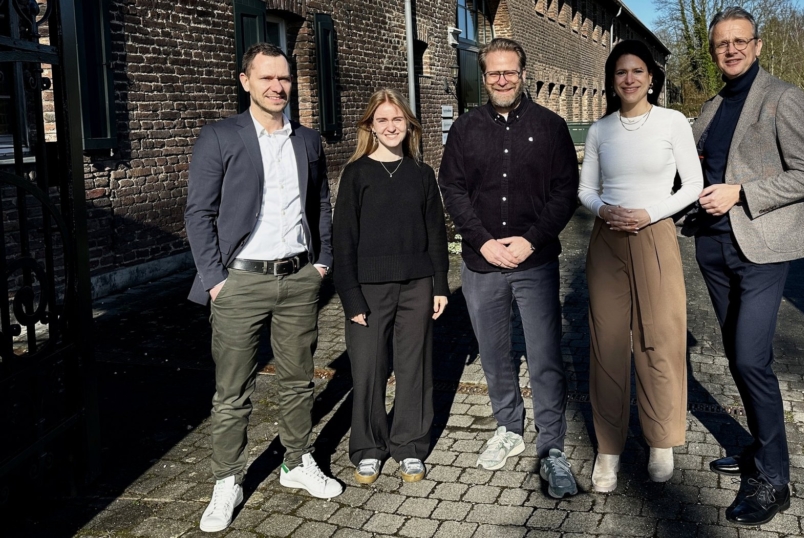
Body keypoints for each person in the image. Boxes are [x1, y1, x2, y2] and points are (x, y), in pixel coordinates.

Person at [184, 42, 341, 533]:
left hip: (299, 279)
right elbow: (199, 212)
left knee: (298, 380)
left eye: (284, 78)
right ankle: (227, 480)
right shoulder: (219, 136)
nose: (278, 87)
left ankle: (296, 461)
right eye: (267, 77)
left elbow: (320, 205)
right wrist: (216, 282)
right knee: (233, 391)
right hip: (240, 282)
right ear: (245, 81)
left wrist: (322, 264)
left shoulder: (307, 140)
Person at [690, 6, 804, 526]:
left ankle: (774, 479)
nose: (730, 49)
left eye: (739, 41)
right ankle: (758, 450)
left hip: (764, 247)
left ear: (758, 45)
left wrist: (742, 192)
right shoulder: (711, 106)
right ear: (713, 51)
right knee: (737, 355)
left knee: (751, 359)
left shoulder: (782, 97)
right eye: (721, 43)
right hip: (714, 247)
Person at [437, 37, 580, 498]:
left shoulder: (551, 126)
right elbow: (452, 188)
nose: (502, 80)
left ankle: (551, 446)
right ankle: (508, 428)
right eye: (494, 72)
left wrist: (530, 239)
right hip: (482, 263)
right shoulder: (464, 129)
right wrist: (482, 241)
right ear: (484, 76)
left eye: (510, 72)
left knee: (544, 355)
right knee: (495, 354)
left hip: (534, 261)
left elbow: (565, 191)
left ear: (523, 74)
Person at [577, 40, 703, 493]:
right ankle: (609, 448)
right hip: (607, 240)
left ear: (652, 78)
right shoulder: (600, 130)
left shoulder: (673, 122)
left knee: (659, 339)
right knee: (607, 343)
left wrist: (649, 213)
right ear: (611, 81)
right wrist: (604, 210)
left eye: (637, 71)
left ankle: (661, 439)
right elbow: (585, 190)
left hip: (655, 237)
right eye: (620, 72)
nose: (628, 79)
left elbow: (693, 185)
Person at [333, 89, 449, 485]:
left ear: (409, 125)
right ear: (370, 126)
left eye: (397, 119)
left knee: (415, 368)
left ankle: (409, 445)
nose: (391, 126)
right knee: (369, 369)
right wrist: (350, 297)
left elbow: (436, 235)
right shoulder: (356, 173)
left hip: (417, 287)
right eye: (382, 120)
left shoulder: (422, 174)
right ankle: (368, 448)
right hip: (368, 290)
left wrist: (440, 286)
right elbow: (343, 240)